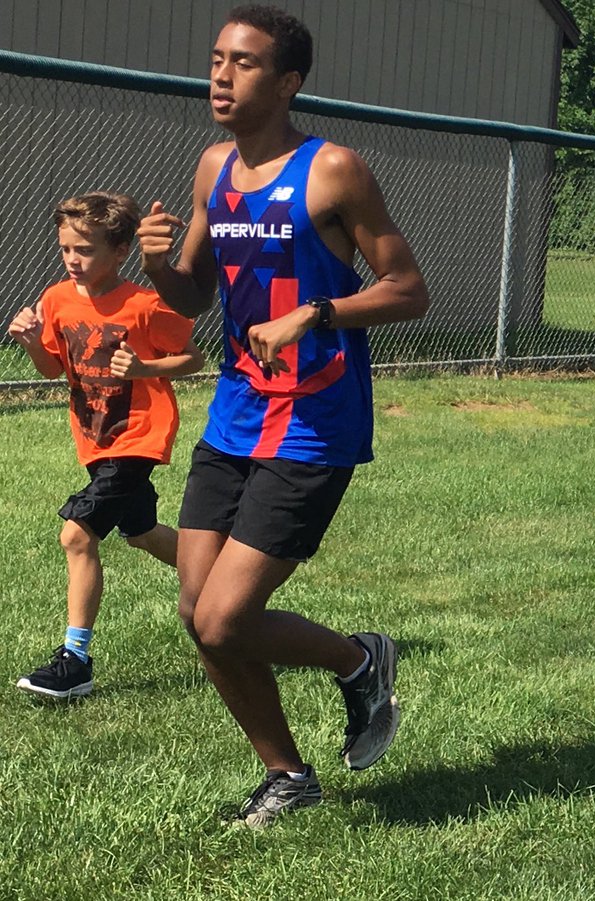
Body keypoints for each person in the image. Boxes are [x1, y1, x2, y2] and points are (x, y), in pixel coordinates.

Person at [136, 5, 429, 827]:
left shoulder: (334, 170)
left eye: (246, 63)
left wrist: (317, 313)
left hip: (313, 421)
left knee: (227, 618)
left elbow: (409, 289)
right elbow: (193, 294)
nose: (222, 76)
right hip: (234, 413)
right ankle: (289, 775)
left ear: (289, 81)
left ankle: (355, 659)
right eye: (217, 59)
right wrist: (159, 264)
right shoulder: (210, 170)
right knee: (201, 616)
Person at [8, 191, 203, 700]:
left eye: (86, 250)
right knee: (140, 532)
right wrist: (31, 342)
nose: (73, 259)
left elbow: (191, 358)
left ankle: (75, 661)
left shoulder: (145, 305)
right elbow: (54, 368)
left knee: (77, 535)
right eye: (66, 248)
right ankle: (223, 577)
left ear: (119, 253)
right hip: (95, 438)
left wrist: (144, 368)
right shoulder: (56, 299)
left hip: (138, 435)